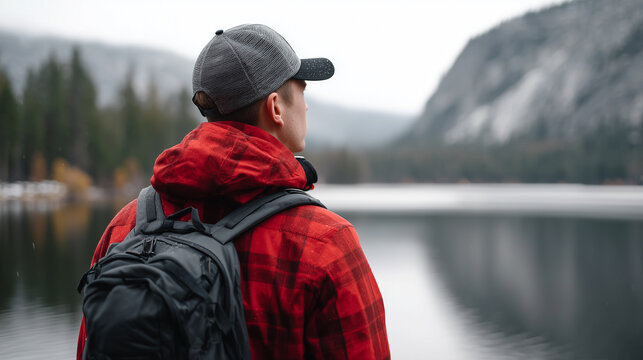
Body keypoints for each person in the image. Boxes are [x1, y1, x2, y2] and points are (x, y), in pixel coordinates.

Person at [77, 24, 390, 359]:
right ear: (276, 108)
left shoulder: (125, 227)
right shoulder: (325, 244)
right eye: (301, 90)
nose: (307, 106)